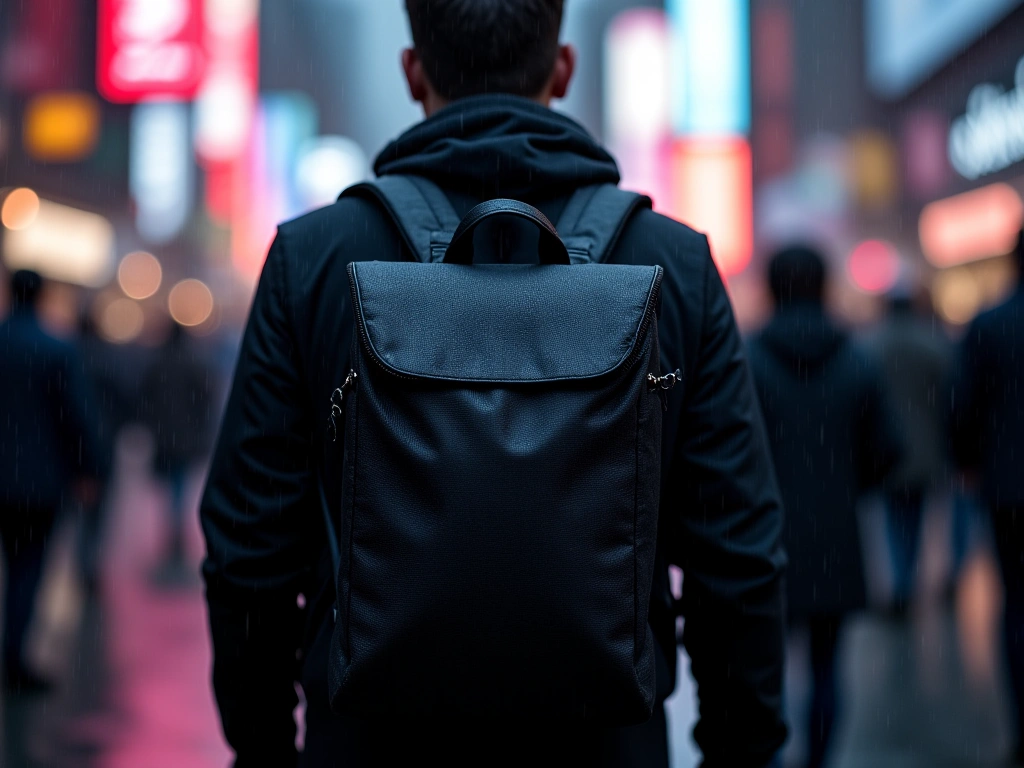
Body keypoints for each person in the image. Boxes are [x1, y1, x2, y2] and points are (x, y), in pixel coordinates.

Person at [200, 1, 787, 765]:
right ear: (563, 69)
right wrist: (741, 747)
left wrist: (264, 747)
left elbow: (249, 551)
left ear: (413, 72)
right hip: (606, 744)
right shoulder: (670, 263)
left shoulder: (312, 259)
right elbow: (737, 556)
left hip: (370, 742)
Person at [747, 246, 901, 768]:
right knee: (827, 668)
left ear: (772, 288)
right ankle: (819, 757)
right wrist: (844, 484)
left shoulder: (748, 359)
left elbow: (725, 453)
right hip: (835, 537)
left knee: (764, 670)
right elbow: (888, 451)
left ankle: (772, 755)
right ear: (824, 286)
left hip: (763, 539)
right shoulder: (856, 358)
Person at [0, 270, 102, 692]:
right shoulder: (56, 349)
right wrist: (88, 470)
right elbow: (75, 415)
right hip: (38, 480)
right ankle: (14, 657)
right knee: (27, 567)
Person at [950, 229, 1024, 766]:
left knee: (1017, 604)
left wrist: (970, 463)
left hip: (1010, 487)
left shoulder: (990, 324)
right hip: (1005, 479)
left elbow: (964, 405)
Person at [869, 284, 952, 616]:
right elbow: (949, 396)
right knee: (917, 517)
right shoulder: (931, 345)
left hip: (888, 449)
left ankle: (901, 583)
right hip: (926, 446)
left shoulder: (873, 346)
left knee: (894, 518)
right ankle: (910, 579)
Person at [141, 322, 213, 584]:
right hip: (185, 441)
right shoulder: (193, 364)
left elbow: (145, 399)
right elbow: (205, 399)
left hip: (165, 440)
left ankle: (172, 539)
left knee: (170, 492)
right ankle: (175, 540)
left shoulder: (158, 364)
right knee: (178, 491)